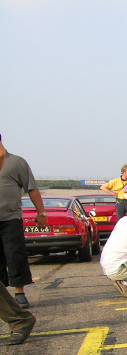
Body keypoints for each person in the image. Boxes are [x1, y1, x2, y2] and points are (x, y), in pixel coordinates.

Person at [0, 132, 48, 308]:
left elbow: (32, 189)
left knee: (15, 255)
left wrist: (41, 213)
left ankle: (19, 293)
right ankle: (3, 297)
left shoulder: (16, 163)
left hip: (10, 218)